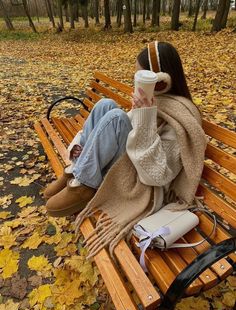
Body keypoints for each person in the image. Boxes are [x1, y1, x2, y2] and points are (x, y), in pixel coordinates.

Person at [44, 42, 207, 258]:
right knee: (106, 105)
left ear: (161, 81)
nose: (135, 79)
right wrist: (78, 145)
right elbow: (125, 131)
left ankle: (83, 185)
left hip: (143, 181)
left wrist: (145, 114)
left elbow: (156, 175)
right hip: (131, 160)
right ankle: (76, 170)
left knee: (116, 118)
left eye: (140, 75)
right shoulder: (157, 100)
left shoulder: (182, 116)